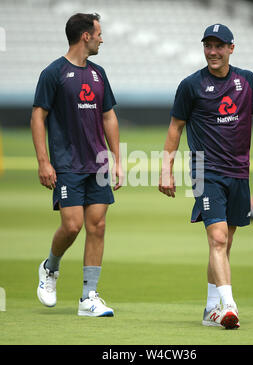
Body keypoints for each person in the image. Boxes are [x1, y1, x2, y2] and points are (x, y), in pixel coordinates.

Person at [159, 24, 253, 329]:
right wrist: (166, 169)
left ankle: (210, 309)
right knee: (217, 238)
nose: (213, 52)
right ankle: (229, 306)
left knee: (223, 246)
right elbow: (175, 127)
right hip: (206, 173)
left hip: (238, 173)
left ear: (231, 48)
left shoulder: (247, 80)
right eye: (208, 46)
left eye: (219, 46)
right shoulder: (191, 85)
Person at [31, 13, 123, 317]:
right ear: (85, 36)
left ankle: (88, 298)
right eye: (98, 33)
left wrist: (117, 158)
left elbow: (108, 115)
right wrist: (44, 162)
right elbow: (38, 117)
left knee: (97, 226)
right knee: (72, 226)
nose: (101, 38)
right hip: (67, 163)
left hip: (96, 164)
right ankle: (50, 267)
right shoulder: (53, 73)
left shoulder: (99, 74)